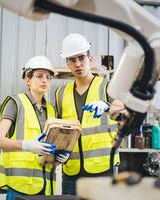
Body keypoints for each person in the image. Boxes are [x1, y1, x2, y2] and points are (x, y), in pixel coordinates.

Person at [55, 33, 124, 195]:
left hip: (102, 169)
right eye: (72, 60)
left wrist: (107, 107)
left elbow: (125, 117)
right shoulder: (60, 93)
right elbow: (59, 130)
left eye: (81, 58)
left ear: (90, 58)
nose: (78, 64)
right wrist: (57, 152)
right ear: (67, 64)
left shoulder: (108, 87)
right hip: (71, 170)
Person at [0, 55, 61, 199]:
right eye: (39, 76)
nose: (45, 80)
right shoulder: (15, 103)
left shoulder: (52, 110)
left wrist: (60, 156)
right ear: (28, 79)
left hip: (46, 187)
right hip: (20, 187)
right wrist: (28, 146)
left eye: (48, 77)